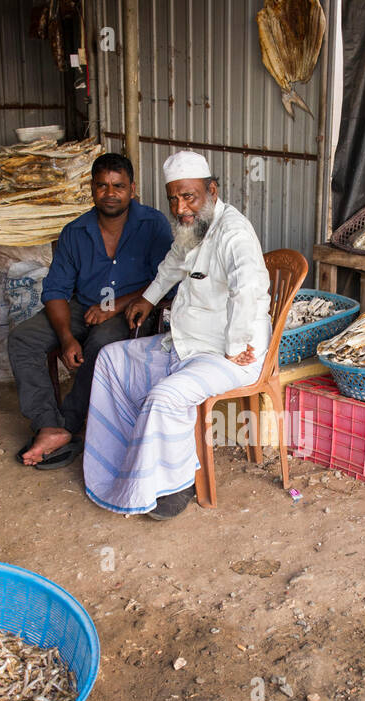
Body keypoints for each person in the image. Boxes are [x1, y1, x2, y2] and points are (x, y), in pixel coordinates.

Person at [83, 150, 272, 520]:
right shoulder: (195, 225)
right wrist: (148, 299)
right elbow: (173, 262)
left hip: (232, 354)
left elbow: (248, 290)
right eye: (174, 198)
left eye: (189, 196)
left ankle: (172, 488)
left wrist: (235, 346)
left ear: (211, 190)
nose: (181, 206)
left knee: (165, 396)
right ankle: (129, 456)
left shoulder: (232, 233)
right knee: (111, 359)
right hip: (188, 342)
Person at [8, 153, 173, 469]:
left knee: (102, 344)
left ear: (132, 189)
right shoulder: (75, 231)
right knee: (22, 339)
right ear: (91, 189)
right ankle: (47, 424)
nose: (110, 193)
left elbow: (165, 280)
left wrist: (113, 306)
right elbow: (55, 291)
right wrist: (67, 337)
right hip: (81, 307)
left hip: (131, 310)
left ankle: (67, 425)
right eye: (102, 186)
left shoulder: (153, 225)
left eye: (118, 186)